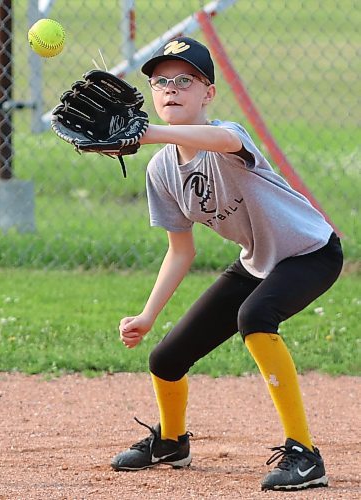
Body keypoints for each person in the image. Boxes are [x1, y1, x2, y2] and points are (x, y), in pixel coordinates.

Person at [110, 37, 343, 491]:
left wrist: (148, 134)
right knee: (166, 358)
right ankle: (171, 443)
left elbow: (223, 140)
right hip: (258, 261)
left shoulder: (226, 134)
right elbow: (181, 250)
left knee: (255, 317)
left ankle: (304, 454)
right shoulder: (160, 170)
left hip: (311, 251)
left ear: (208, 92)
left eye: (184, 80)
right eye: (161, 82)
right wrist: (147, 315)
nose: (171, 89)